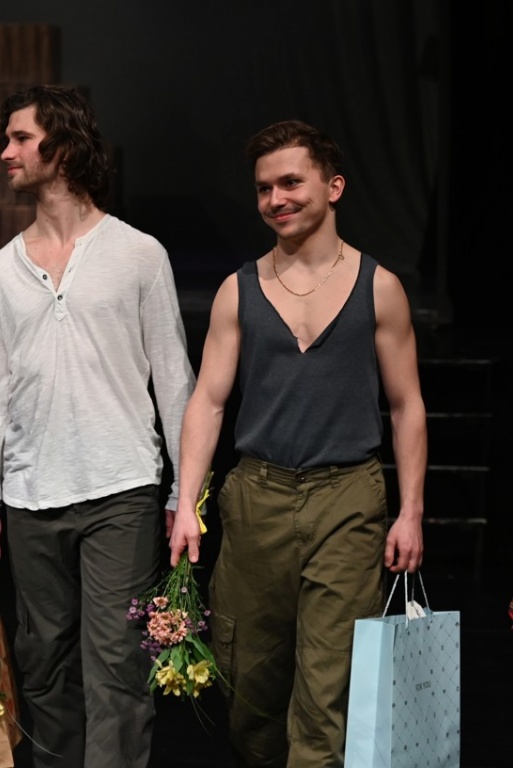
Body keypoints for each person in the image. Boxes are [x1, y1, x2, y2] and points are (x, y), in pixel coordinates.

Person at [170, 119, 427, 767]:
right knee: (249, 685)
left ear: (333, 187)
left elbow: (406, 406)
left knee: (327, 687)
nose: (275, 199)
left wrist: (411, 511)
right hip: (257, 497)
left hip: (347, 498)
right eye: (264, 188)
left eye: (290, 182)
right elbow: (208, 401)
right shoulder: (239, 289)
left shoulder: (378, 287)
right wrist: (186, 502)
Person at [0, 84, 196, 768]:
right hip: (29, 494)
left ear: (63, 145)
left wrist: (185, 495)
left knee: (115, 670)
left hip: (121, 490)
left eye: (21, 138)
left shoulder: (138, 253)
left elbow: (175, 381)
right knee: (43, 668)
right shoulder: (4, 268)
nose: (6, 152)